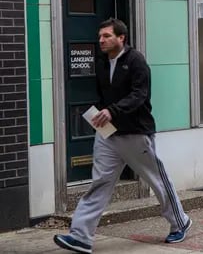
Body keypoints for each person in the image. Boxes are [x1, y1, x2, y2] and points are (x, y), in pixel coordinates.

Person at [54, 18, 191, 254]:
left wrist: (112, 111)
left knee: (156, 179)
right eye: (100, 36)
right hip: (108, 135)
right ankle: (81, 236)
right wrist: (99, 113)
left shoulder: (135, 61)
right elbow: (104, 95)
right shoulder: (101, 63)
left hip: (135, 133)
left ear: (121, 38)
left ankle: (180, 222)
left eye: (106, 36)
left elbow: (140, 95)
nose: (101, 40)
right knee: (100, 183)